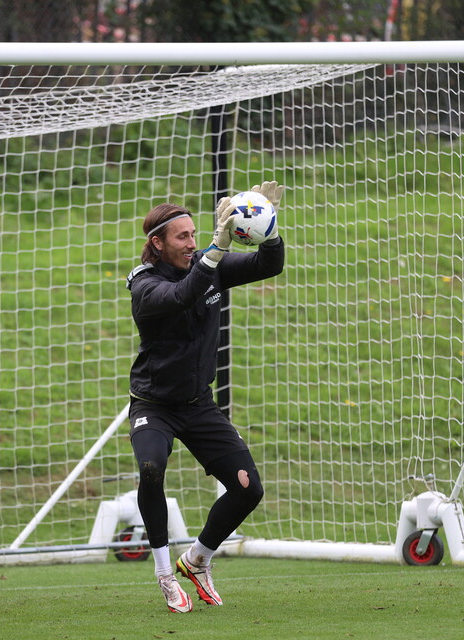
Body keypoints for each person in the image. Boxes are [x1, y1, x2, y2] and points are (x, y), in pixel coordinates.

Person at [124, 182, 285, 613]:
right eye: (182, 236)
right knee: (151, 467)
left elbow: (271, 266)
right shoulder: (144, 284)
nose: (192, 243)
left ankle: (197, 559)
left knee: (248, 489)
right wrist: (216, 247)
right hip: (154, 407)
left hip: (198, 405)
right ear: (156, 244)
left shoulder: (206, 263)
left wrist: (266, 225)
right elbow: (183, 294)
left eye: (195, 234)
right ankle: (163, 573)